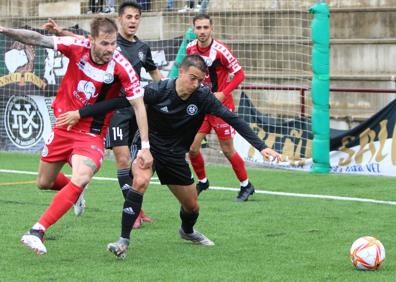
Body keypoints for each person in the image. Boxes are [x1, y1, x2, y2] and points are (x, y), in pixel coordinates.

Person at [57, 54, 281, 258]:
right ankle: (123, 241)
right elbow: (119, 101)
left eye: (200, 81)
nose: (196, 84)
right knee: (140, 180)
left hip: (175, 155)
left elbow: (233, 119)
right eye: (192, 78)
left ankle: (187, 231)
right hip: (149, 148)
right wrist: (80, 113)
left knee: (192, 207)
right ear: (181, 72)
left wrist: (261, 147)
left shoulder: (203, 97)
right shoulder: (157, 90)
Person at [0, 16, 153, 255]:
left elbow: (139, 105)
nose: (110, 49)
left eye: (113, 44)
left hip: (91, 133)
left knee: (81, 176)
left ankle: (37, 231)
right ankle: (76, 192)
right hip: (63, 125)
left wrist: (145, 146)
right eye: (104, 44)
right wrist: (4, 29)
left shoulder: (121, 65)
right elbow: (37, 38)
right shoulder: (78, 47)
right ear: (91, 41)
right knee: (44, 183)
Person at [43, 1, 162, 228]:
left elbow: (153, 70)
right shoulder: (110, 47)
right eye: (129, 17)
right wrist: (60, 33)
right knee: (123, 159)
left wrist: (165, 93)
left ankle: (135, 207)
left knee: (137, 159)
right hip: (112, 111)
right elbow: (85, 43)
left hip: (134, 108)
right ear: (119, 20)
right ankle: (132, 210)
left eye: (137, 17)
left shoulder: (143, 48)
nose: (133, 21)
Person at [186, 14, 253, 202]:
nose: (202, 31)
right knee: (192, 147)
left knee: (227, 149)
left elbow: (239, 74)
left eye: (205, 27)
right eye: (198, 28)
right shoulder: (191, 48)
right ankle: (203, 181)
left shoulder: (220, 50)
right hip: (202, 106)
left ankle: (246, 185)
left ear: (211, 29)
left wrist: (223, 93)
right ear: (193, 29)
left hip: (221, 108)